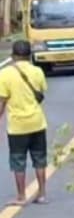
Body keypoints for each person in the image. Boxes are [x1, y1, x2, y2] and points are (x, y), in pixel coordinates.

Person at [0, 40, 50, 206]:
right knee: (39, 159)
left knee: (18, 161)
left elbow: (2, 101)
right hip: (37, 122)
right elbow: (41, 93)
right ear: (29, 55)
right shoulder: (37, 71)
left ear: (13, 55)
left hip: (17, 126)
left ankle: (21, 196)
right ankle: (42, 194)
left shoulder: (5, 74)